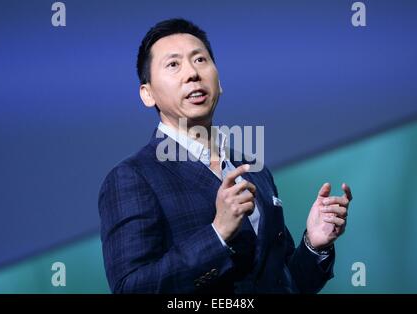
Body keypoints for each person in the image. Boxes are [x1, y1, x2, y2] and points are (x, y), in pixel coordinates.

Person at [98, 18, 353, 294]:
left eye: (200, 60)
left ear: (218, 82)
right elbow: (130, 289)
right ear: (147, 94)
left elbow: (284, 284)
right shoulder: (133, 177)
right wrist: (217, 234)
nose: (192, 74)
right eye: (173, 64)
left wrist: (315, 244)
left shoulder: (254, 171)